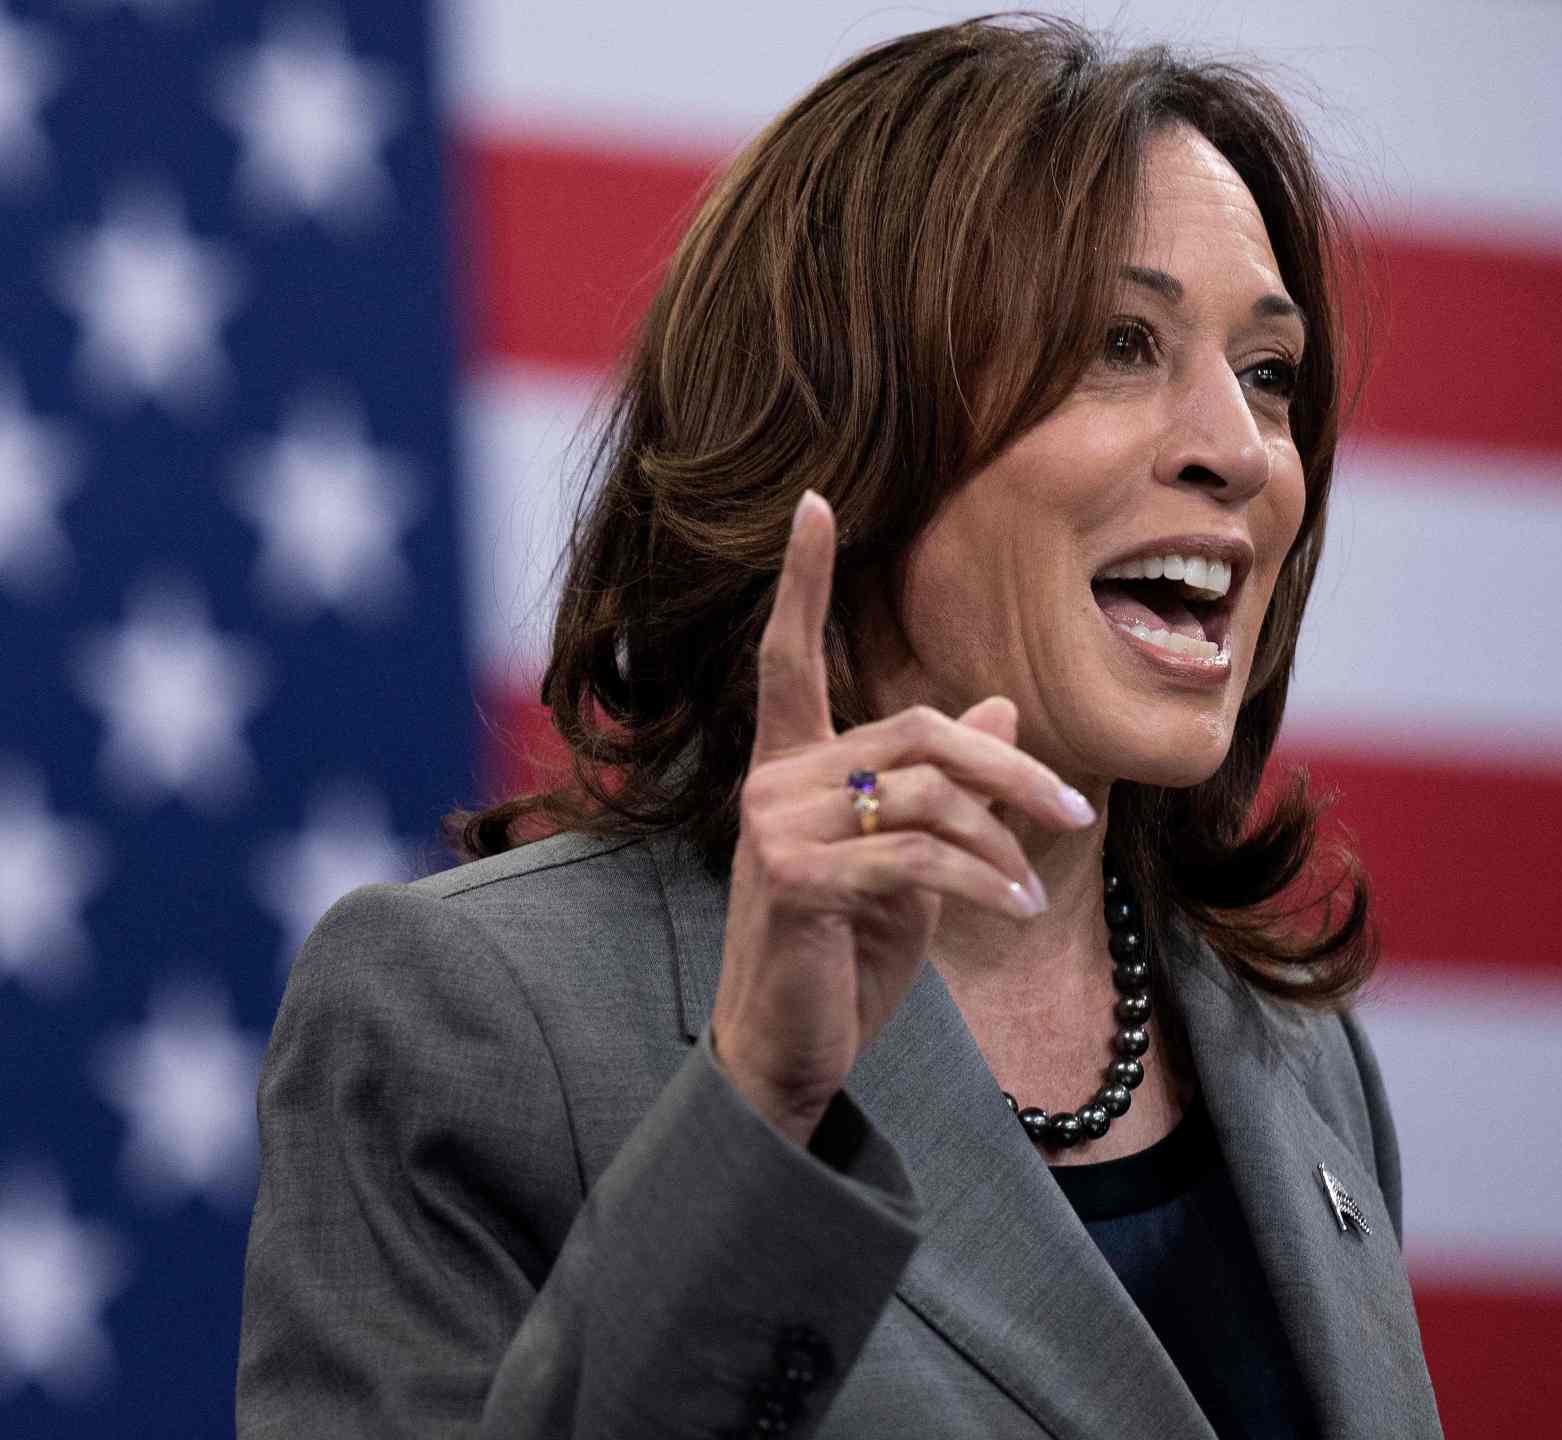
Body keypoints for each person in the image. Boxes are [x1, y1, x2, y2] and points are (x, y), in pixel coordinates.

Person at [236, 14, 1443, 1439]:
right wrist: (760, 1104)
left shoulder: (1296, 1054)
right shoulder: (472, 1017)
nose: (1241, 452)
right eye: (1122, 345)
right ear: (850, 423)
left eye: (1270, 372)